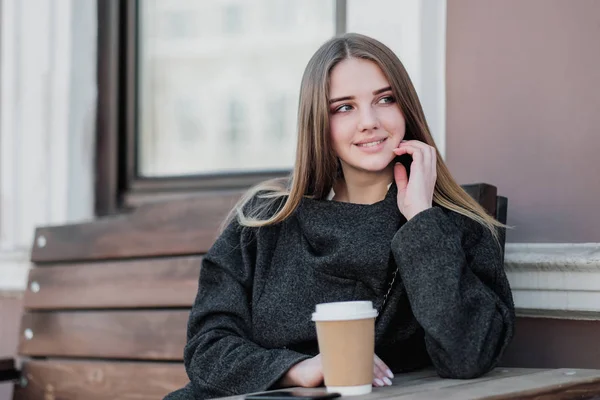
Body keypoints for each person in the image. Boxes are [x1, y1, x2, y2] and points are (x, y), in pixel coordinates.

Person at [165, 33, 515, 400]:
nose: (369, 121)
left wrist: (421, 221)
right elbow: (208, 351)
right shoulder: (263, 221)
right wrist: (299, 370)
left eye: (385, 99)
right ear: (318, 123)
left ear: (406, 109)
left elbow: (469, 354)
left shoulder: (451, 227)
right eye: (343, 107)